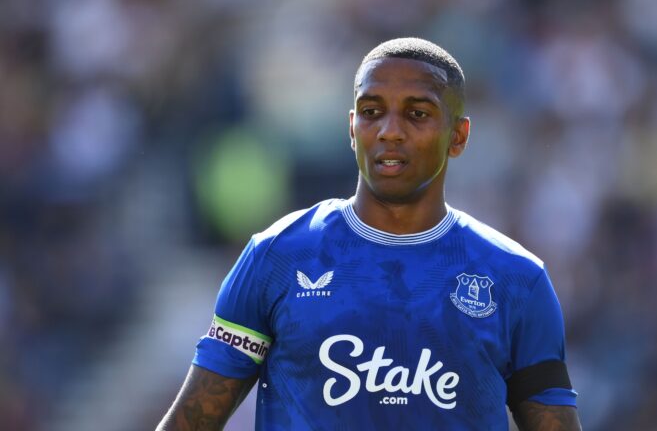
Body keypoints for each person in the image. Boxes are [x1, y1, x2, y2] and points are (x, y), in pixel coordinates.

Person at [157, 37, 581, 431]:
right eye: (372, 111)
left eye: (417, 114)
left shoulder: (516, 279)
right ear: (351, 127)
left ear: (458, 136)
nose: (389, 131)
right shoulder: (277, 256)